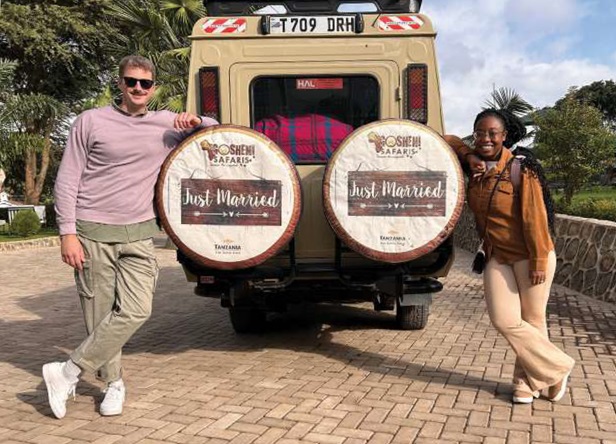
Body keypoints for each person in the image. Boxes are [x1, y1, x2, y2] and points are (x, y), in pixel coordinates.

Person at [44, 55, 218, 419]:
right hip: (92, 232)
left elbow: (217, 131)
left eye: (145, 83)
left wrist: (197, 120)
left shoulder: (166, 125)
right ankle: (114, 384)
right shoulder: (90, 121)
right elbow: (68, 180)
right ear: (119, 83)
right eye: (131, 81)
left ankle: (67, 372)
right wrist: (67, 234)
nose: (138, 88)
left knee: (137, 309)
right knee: (100, 315)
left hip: (139, 235)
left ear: (154, 88)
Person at [445, 109, 574, 404]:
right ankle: (558, 368)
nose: (486, 138)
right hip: (497, 255)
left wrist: (540, 260)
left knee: (532, 319)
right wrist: (468, 156)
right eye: (480, 132)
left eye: (493, 133)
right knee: (504, 320)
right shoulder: (475, 169)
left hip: (531, 255)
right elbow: (448, 139)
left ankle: (526, 384)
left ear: (505, 136)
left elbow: (536, 219)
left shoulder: (521, 169)